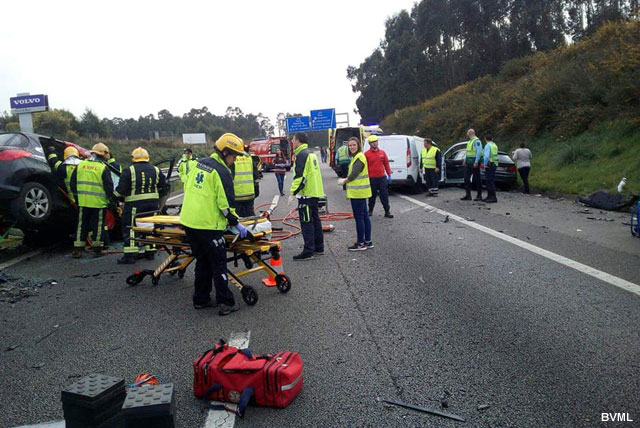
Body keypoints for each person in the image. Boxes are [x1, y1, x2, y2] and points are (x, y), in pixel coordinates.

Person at [179, 133, 248, 315]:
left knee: (202, 261)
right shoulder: (222, 172)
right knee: (218, 264)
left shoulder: (197, 164)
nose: (234, 161)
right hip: (208, 226)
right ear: (225, 152)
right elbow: (225, 206)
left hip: (188, 222)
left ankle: (201, 299)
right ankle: (226, 302)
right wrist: (236, 224)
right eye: (234, 156)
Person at [114, 147, 167, 264]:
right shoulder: (156, 170)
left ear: (133, 158)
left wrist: (114, 196)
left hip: (134, 205)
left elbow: (120, 190)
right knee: (149, 226)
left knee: (131, 227)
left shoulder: (129, 171)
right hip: (153, 204)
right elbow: (164, 186)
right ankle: (150, 252)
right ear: (147, 158)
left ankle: (130, 255)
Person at [69, 143, 114, 258]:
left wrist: (77, 197)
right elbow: (109, 187)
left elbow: (72, 184)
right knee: (97, 226)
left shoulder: (80, 165)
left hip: (83, 202)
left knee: (81, 225)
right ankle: (97, 249)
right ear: (103, 156)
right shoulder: (103, 168)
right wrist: (112, 200)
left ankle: (77, 249)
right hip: (98, 203)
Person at [289, 132, 325, 260]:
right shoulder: (310, 153)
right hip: (314, 192)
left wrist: (293, 192)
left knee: (306, 222)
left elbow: (300, 176)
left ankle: (308, 250)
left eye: (293, 140)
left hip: (306, 194)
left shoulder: (301, 155)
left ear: (298, 140)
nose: (292, 142)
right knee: (315, 220)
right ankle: (319, 247)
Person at [338, 137, 373, 251]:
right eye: (350, 145)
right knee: (365, 217)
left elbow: (354, 174)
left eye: (354, 145)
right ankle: (367, 241)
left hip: (358, 193)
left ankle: (361, 243)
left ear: (358, 145)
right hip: (361, 192)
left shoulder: (359, 157)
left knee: (360, 218)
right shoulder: (357, 157)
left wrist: (344, 181)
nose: (352, 147)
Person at [364, 135, 393, 218]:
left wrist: (389, 175)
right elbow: (364, 167)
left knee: (384, 195)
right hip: (372, 178)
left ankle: (387, 212)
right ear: (370, 144)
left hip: (382, 178)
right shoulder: (366, 154)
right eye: (373, 142)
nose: (375, 143)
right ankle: (370, 211)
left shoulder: (382, 153)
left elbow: (386, 164)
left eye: (376, 142)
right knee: (372, 195)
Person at [232, 144, 258, 218]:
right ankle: (253, 228)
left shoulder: (232, 158)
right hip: (249, 194)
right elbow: (256, 175)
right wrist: (256, 189)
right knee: (250, 216)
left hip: (236, 195)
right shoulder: (249, 158)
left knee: (237, 218)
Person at [461, 128, 484, 201]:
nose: (467, 134)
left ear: (470, 133)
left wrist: (476, 162)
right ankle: (468, 195)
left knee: (477, 179)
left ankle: (479, 195)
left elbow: (479, 152)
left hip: (474, 162)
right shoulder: (470, 142)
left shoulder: (477, 141)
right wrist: (465, 160)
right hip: (469, 162)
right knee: (466, 179)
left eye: (468, 133)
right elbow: (468, 152)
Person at [482, 134, 499, 203]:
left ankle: (493, 197)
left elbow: (486, 156)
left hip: (489, 164)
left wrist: (484, 165)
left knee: (489, 181)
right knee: (490, 180)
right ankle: (489, 196)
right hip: (494, 164)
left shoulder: (488, 146)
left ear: (485, 139)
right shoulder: (494, 145)